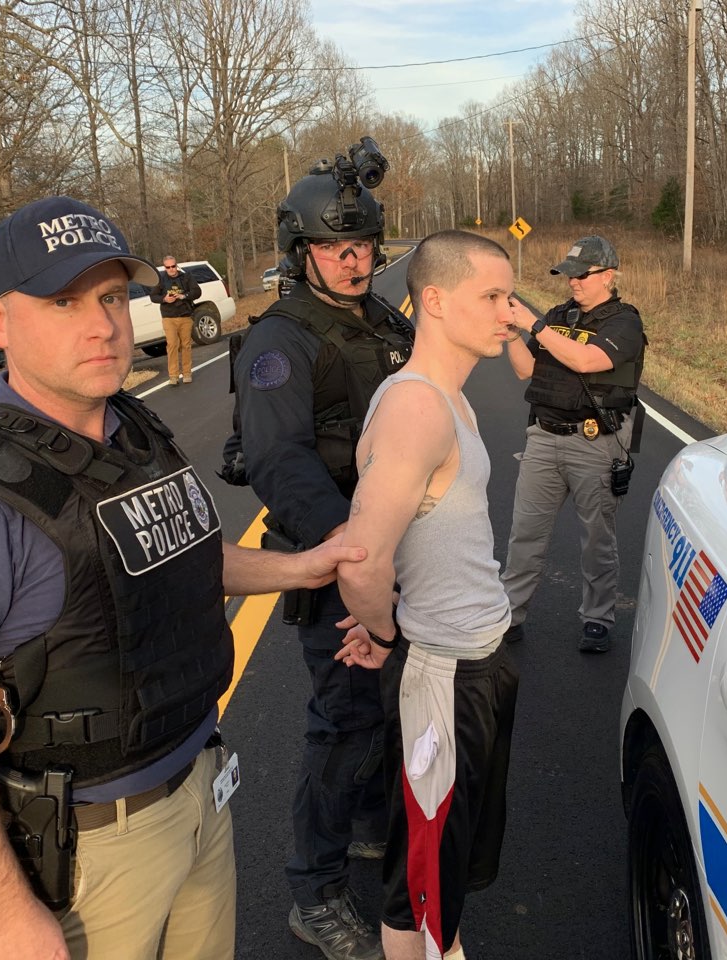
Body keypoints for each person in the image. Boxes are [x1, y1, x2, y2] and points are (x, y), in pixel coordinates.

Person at [0, 195, 365, 960]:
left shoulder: (136, 429)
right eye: (63, 302)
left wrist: (308, 564)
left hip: (201, 789)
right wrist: (2, 912)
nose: (100, 324)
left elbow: (187, 559)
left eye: (108, 296)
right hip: (91, 853)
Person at [222, 145, 414, 960]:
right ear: (301, 253)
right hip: (336, 553)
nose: (354, 260)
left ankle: (370, 827)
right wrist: (351, 544)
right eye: (338, 247)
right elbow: (278, 460)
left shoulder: (384, 321)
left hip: (397, 549)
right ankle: (314, 889)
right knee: (341, 721)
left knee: (389, 710)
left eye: (365, 246)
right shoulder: (281, 337)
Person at [335, 230, 520, 960]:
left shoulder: (452, 401)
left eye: (511, 296)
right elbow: (360, 559)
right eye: (494, 297)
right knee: (420, 882)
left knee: (446, 866)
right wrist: (385, 636)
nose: (510, 312)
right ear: (435, 301)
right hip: (443, 675)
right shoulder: (418, 409)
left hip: (479, 661)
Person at [499, 235, 647, 653]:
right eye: (570, 275)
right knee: (524, 534)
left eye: (583, 275)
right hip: (544, 439)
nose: (574, 283)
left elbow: (587, 361)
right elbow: (526, 370)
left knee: (597, 539)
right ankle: (510, 614)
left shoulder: (624, 323)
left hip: (594, 443)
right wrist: (514, 332)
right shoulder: (558, 316)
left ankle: (597, 618)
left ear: (609, 275)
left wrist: (534, 325)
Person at [150, 254, 201, 387]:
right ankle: (173, 375)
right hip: (169, 317)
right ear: (165, 268)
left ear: (176, 265)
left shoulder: (186, 277)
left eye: (173, 266)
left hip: (185, 315)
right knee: (172, 345)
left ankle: (187, 373)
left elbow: (197, 291)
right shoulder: (161, 280)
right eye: (168, 267)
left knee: (186, 345)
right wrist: (164, 299)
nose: (171, 269)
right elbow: (153, 296)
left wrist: (184, 296)